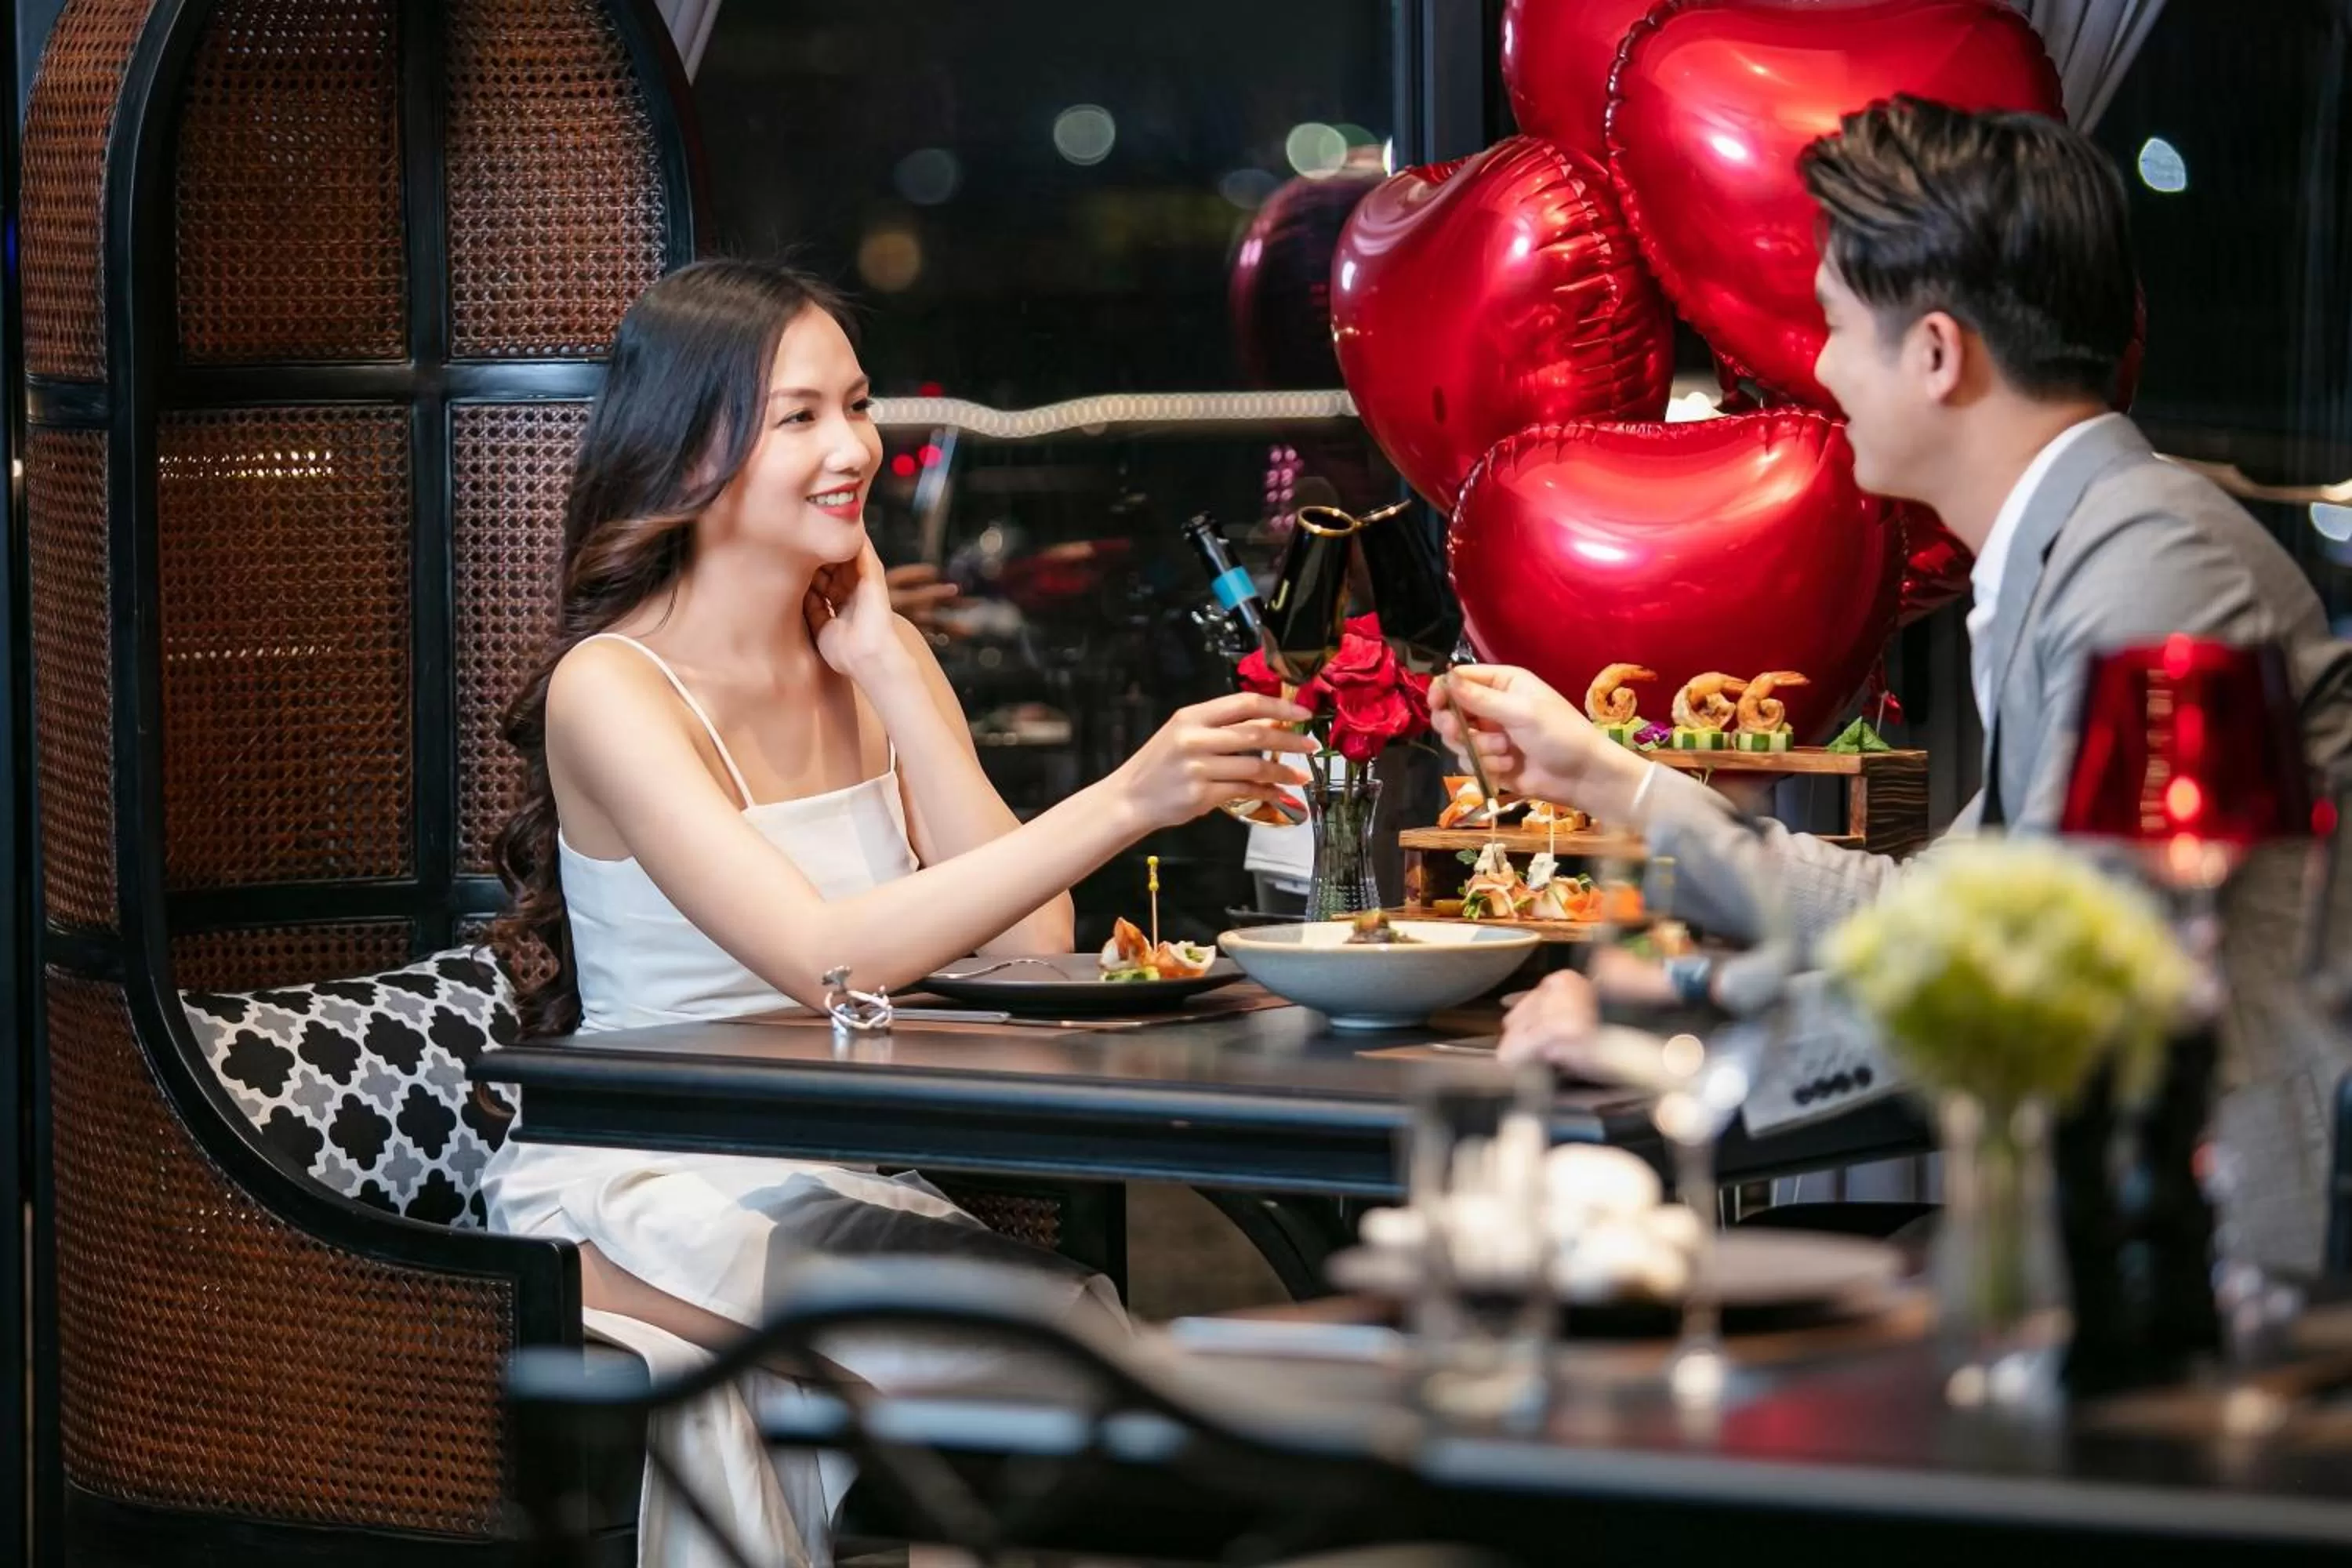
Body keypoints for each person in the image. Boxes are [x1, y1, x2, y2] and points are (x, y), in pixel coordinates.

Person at [480, 258, 1316, 1564]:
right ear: (689, 445)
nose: (853, 448)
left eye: (859, 406)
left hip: (827, 1162)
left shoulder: (873, 647)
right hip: (653, 1174)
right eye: (798, 416)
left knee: (1075, 1343)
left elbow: (1031, 950)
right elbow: (824, 963)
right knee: (1041, 1393)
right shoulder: (615, 685)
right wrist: (1127, 797)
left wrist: (888, 666)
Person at [1436, 97, 2352, 1270]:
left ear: (1934, 353)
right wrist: (1606, 776)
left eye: (1830, 327)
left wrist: (1663, 1038)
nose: (1814, 372)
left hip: (2227, 1268)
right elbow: (1928, 923)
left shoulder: (2161, 580)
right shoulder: (2082, 551)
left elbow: (2069, 977)